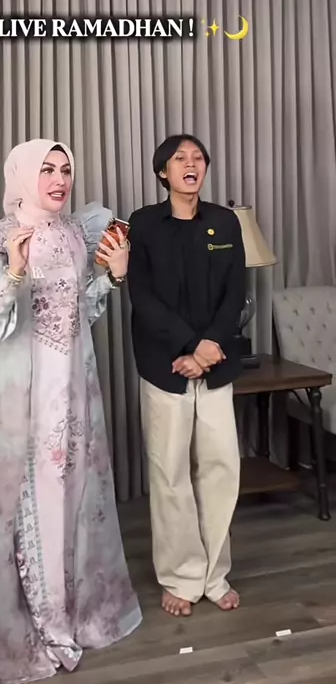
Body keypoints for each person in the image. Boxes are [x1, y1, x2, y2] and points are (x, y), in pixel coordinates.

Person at [0, 139, 142, 684]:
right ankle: (30, 621)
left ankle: (66, 610)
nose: (59, 179)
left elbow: (81, 310)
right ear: (21, 175)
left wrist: (112, 276)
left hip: (72, 388)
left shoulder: (76, 233)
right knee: (19, 503)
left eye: (65, 169)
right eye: (46, 169)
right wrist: (15, 272)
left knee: (68, 494)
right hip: (19, 393)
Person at [127, 133, 246, 618]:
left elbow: (236, 290)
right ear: (163, 172)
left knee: (221, 469)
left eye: (198, 158)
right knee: (170, 473)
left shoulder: (225, 221)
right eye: (180, 158)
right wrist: (189, 346)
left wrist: (209, 347)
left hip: (215, 364)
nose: (190, 164)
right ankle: (181, 575)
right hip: (164, 367)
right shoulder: (143, 223)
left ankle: (214, 574)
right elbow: (143, 297)